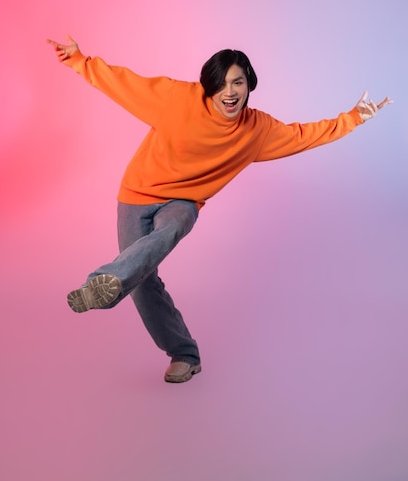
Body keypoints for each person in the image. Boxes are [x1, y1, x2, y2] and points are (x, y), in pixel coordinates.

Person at [47, 35, 392, 383]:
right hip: (136, 194)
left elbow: (304, 135)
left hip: (183, 202)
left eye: (238, 82)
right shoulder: (178, 99)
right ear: (208, 87)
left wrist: (355, 117)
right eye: (222, 83)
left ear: (248, 85)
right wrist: (80, 60)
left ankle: (103, 285)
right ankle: (185, 354)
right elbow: (124, 84)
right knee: (143, 281)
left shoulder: (257, 131)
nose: (230, 92)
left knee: (173, 226)